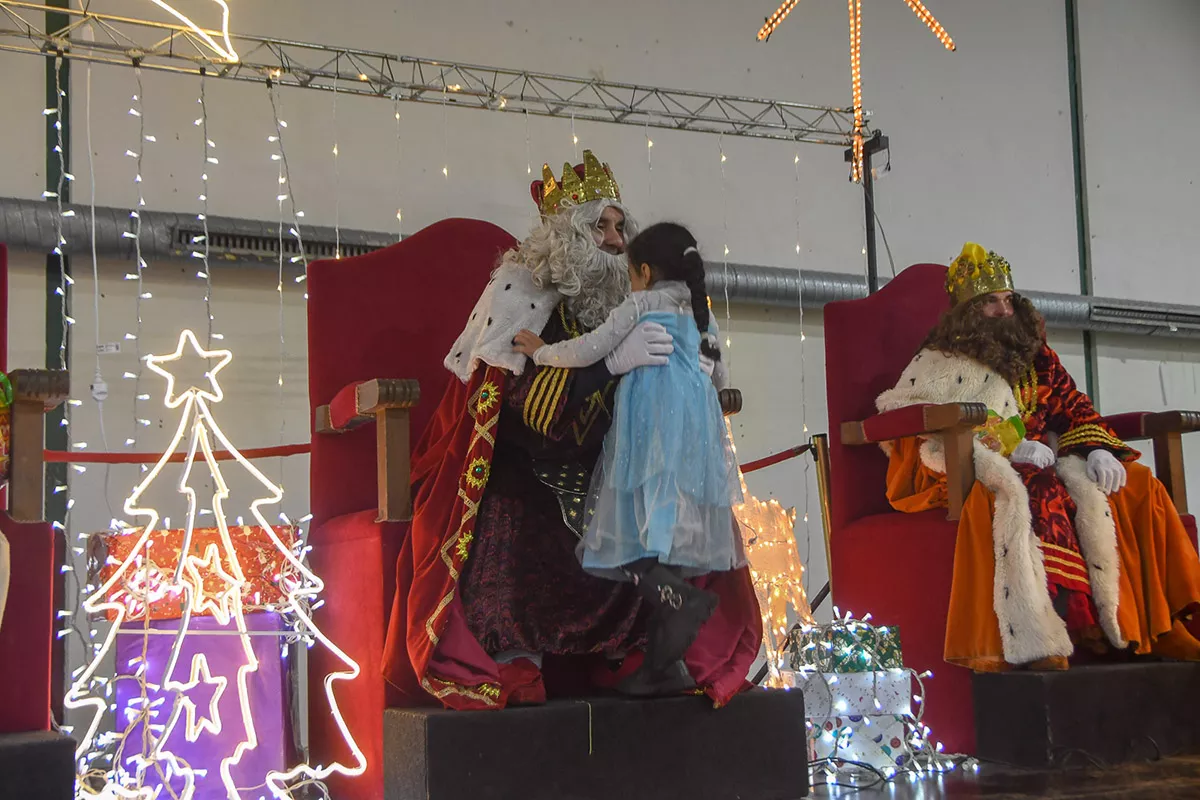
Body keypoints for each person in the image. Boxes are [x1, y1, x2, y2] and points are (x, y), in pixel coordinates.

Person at [382, 152, 762, 710]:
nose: (613, 240)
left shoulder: (644, 306)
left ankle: (639, 651)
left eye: (619, 227)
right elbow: (518, 410)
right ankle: (518, 656)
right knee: (520, 518)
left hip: (614, 460)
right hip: (530, 464)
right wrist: (605, 369)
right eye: (598, 226)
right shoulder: (520, 294)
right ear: (565, 236)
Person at [877, 242, 1200, 671]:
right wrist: (1005, 447)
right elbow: (911, 415)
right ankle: (1043, 636)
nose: (1003, 310)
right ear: (967, 310)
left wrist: (1098, 447)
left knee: (1138, 485)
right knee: (1027, 493)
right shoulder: (940, 360)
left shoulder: (1038, 356)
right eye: (990, 302)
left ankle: (1162, 627)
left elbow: (1075, 407)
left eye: (1007, 300)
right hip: (978, 466)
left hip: (1051, 457)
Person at [513, 222, 747, 695]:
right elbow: (721, 376)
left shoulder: (640, 305)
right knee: (673, 550)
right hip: (696, 445)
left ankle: (679, 605)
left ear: (642, 271)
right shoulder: (702, 312)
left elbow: (587, 350)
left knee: (636, 546)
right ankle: (667, 665)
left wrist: (541, 352)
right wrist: (706, 371)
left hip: (650, 439)